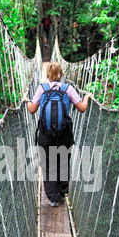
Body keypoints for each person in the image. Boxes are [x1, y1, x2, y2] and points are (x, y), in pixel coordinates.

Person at [24, 61, 92, 207]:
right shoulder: (68, 89)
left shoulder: (42, 88)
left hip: (45, 133)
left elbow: (32, 109)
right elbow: (81, 108)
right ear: (62, 74)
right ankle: (62, 193)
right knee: (62, 161)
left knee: (47, 164)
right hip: (64, 133)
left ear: (47, 75)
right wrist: (86, 97)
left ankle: (53, 198)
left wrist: (27, 101)